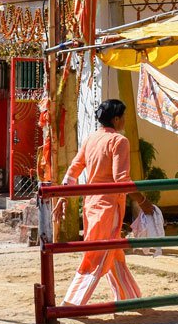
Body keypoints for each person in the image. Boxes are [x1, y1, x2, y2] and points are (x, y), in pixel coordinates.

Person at [53, 99, 153, 305]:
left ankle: (129, 298)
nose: (124, 120)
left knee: (112, 253)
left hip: (91, 205)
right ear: (116, 119)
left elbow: (73, 170)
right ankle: (72, 303)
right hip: (109, 207)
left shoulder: (91, 139)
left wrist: (63, 196)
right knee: (97, 256)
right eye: (123, 116)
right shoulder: (119, 141)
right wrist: (143, 201)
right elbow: (122, 180)